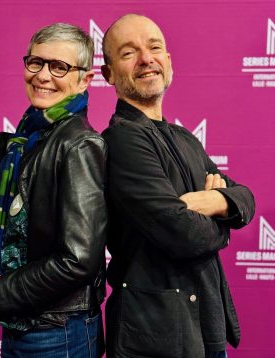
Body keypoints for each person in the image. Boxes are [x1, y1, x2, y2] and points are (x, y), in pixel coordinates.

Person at [101, 14, 255, 358]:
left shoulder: (184, 138)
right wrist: (223, 224)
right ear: (108, 74)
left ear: (168, 61)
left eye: (154, 47)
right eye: (128, 53)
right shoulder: (121, 140)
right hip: (155, 336)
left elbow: (245, 198)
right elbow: (182, 234)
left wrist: (214, 202)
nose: (146, 59)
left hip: (204, 326)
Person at [0, 23, 107, 357]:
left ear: (85, 79)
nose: (42, 76)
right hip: (23, 323)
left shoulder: (80, 144)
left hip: (58, 332)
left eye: (59, 67)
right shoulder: (27, 136)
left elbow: (78, 260)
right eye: (36, 62)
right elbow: (12, 235)